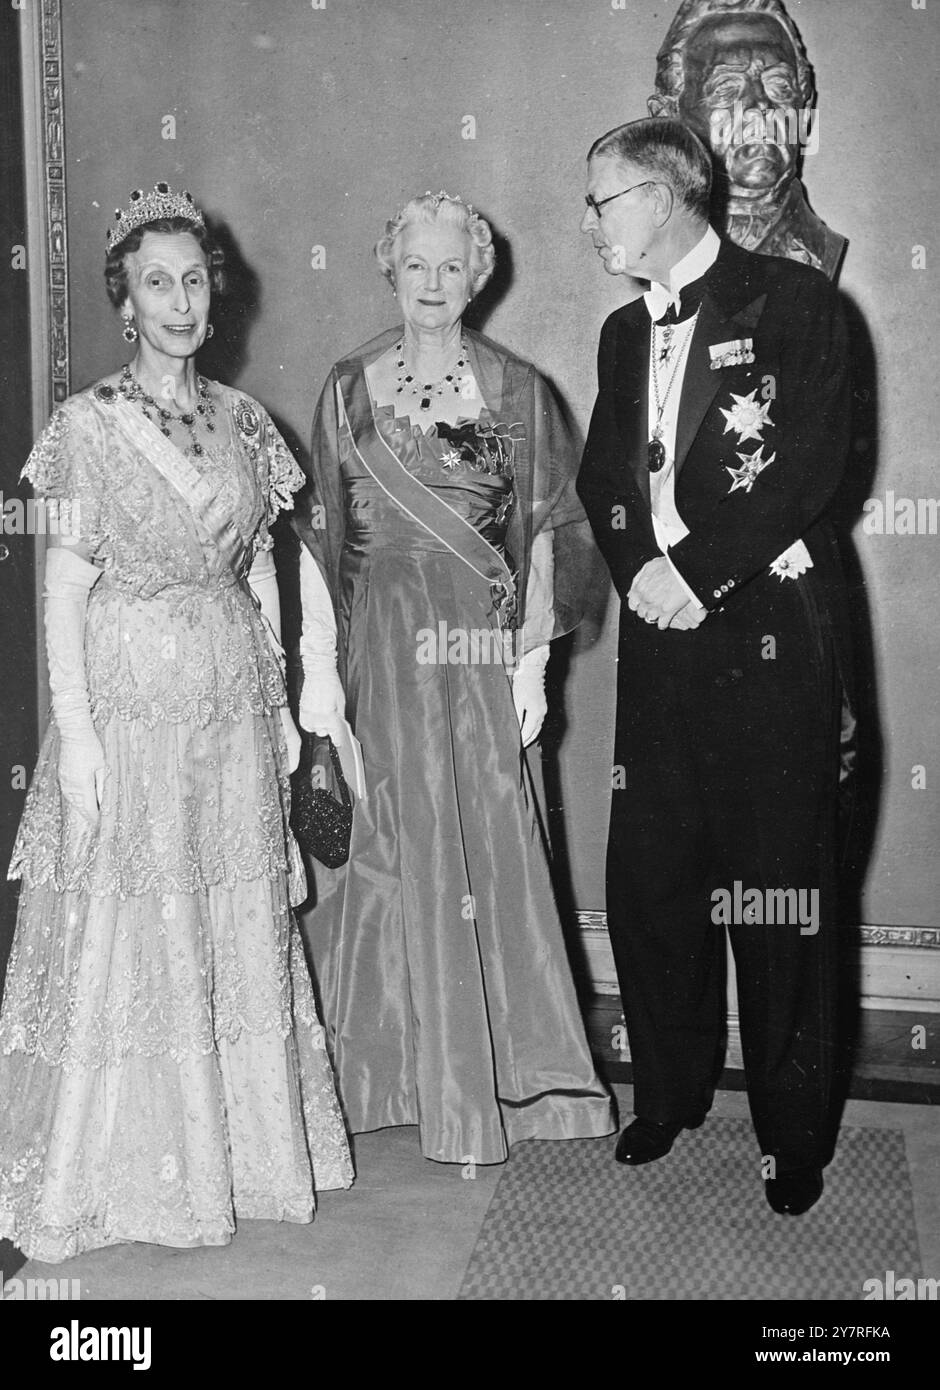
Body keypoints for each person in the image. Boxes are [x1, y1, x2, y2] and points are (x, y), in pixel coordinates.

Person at [0, 183, 352, 1263]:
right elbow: (61, 589)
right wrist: (80, 737)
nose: (181, 300)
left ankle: (236, 1153)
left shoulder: (247, 421)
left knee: (225, 911)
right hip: (129, 696)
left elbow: (259, 566)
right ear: (126, 300)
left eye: (196, 280)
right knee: (131, 917)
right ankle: (113, 1167)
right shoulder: (85, 425)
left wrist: (291, 704)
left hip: (228, 701)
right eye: (158, 282)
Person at [294, 190, 615, 1166]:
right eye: (416, 265)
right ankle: (384, 1078)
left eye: (451, 267)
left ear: (478, 277)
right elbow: (317, 539)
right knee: (384, 856)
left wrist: (533, 668)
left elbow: (554, 535)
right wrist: (317, 676)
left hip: (477, 664)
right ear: (390, 269)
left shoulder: (518, 390)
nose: (432, 285)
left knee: (486, 860)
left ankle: (504, 1081)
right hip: (378, 658)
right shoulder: (346, 386)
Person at [577, 119, 851, 1214]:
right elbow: (606, 474)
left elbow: (810, 468)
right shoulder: (615, 332)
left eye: (599, 201)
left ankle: (791, 1137)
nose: (587, 223)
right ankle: (669, 1091)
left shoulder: (793, 305)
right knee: (652, 883)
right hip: (661, 640)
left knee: (779, 894)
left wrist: (697, 573)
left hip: (766, 639)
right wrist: (646, 572)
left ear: (664, 196)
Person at [648, 0, 847, 279]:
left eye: (779, 85)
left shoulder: (818, 251)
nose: (759, 106)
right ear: (668, 119)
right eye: (726, 88)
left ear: (804, 108)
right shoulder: (654, 249)